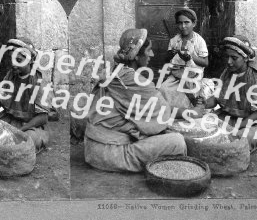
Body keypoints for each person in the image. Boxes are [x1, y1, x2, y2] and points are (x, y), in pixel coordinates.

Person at [83, 29, 204, 173]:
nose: (152, 54)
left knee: (154, 129)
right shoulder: (134, 81)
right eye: (148, 50)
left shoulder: (115, 71)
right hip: (110, 154)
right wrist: (193, 112)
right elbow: (163, 112)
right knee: (177, 141)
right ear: (136, 55)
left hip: (93, 149)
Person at [203, 35, 257, 151]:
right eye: (227, 57)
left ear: (245, 58)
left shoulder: (255, 79)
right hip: (227, 117)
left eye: (234, 58)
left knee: (241, 138)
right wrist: (203, 103)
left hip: (248, 123)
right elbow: (217, 98)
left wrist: (234, 128)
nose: (229, 62)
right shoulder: (226, 73)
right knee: (202, 126)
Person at [0, 38, 50, 152]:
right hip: (10, 119)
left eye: (19, 60)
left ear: (30, 60)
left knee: (25, 143)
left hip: (30, 125)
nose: (14, 64)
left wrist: (21, 130)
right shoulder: (11, 75)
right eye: (12, 59)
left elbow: (43, 117)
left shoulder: (38, 81)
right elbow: (0, 100)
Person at [159, 8, 209, 109]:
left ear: (194, 23)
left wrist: (191, 56)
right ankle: (171, 111)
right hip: (176, 74)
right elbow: (166, 59)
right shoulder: (174, 41)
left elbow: (205, 62)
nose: (183, 26)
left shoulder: (199, 41)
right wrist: (172, 53)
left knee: (187, 92)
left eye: (187, 22)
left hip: (193, 75)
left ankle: (188, 111)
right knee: (163, 89)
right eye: (180, 23)